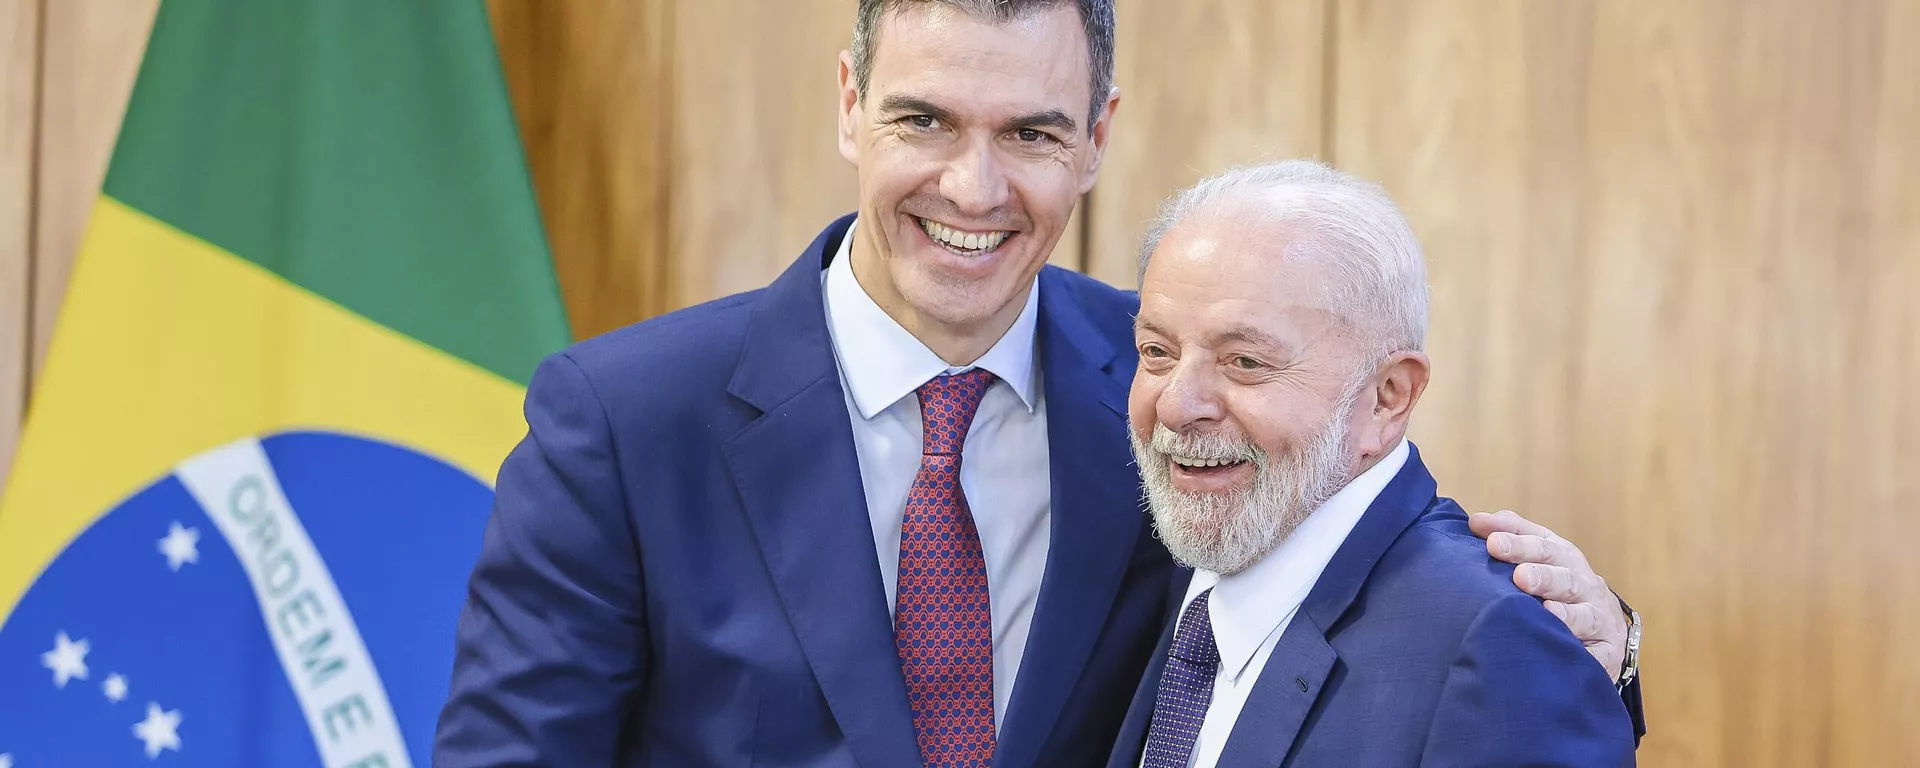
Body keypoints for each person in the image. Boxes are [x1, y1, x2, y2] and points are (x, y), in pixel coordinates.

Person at [432, 1, 1643, 765]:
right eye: (925, 120)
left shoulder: (1176, 389)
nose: (974, 188)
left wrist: (1593, 640)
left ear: (1099, 138)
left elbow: (1372, 582)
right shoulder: (624, 420)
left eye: (1032, 133)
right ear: (851, 107)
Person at [1105, 160, 1636, 768]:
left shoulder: (1495, 643)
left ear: (1388, 396)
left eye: (1245, 361)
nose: (1176, 405)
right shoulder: (1171, 564)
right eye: (1157, 352)